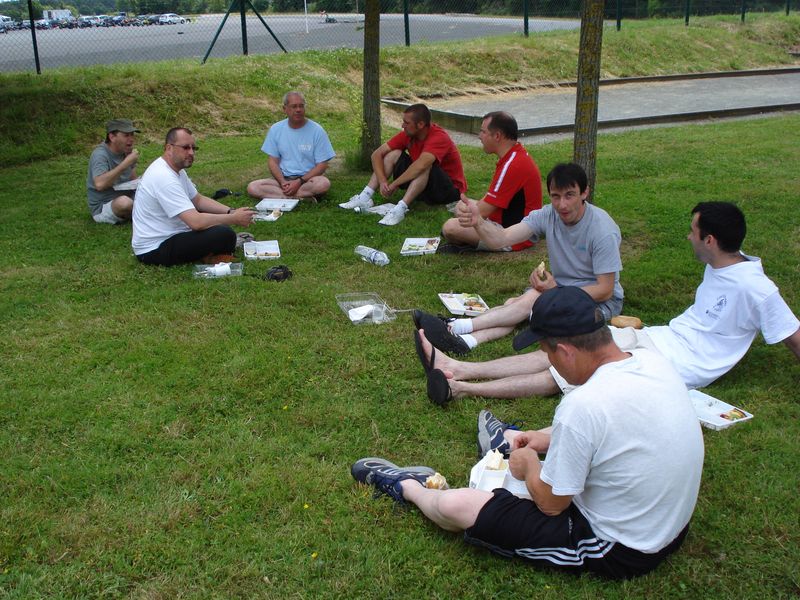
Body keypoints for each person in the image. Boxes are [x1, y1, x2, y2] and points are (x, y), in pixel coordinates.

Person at [353, 286, 704, 579]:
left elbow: (552, 505)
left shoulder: (583, 405)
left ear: (564, 351)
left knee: (456, 505)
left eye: (547, 352)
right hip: (667, 526)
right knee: (540, 450)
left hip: (619, 547)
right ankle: (503, 446)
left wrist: (530, 466)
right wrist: (545, 440)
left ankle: (409, 487)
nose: (548, 360)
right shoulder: (650, 361)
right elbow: (617, 430)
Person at [416, 202, 800, 404]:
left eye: (693, 232)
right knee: (567, 348)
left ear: (710, 241)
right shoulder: (724, 264)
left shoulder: (757, 288)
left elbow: (793, 336)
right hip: (661, 339)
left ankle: (462, 385)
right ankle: (460, 367)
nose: (688, 237)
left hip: (674, 364)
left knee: (567, 372)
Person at [415, 162, 622, 356]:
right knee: (516, 305)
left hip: (600, 304)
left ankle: (457, 326)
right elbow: (502, 239)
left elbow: (605, 290)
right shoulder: (548, 214)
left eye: (570, 195)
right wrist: (479, 222)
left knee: (529, 302)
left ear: (584, 192)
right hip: (561, 289)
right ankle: (467, 340)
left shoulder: (602, 230)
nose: (562, 204)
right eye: (555, 196)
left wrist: (558, 291)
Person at [132, 127, 256, 266]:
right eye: (185, 148)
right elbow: (196, 222)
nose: (191, 152)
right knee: (224, 234)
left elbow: (198, 199)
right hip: (154, 249)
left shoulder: (176, 170)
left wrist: (230, 211)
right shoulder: (163, 177)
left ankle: (215, 250)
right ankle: (212, 254)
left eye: (193, 148)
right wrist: (234, 219)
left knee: (220, 229)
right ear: (169, 148)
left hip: (173, 235)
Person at [339, 103, 466, 226]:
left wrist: (394, 184)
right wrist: (383, 181)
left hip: (448, 191)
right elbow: (376, 155)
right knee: (393, 154)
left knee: (425, 165)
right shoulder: (408, 134)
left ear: (421, 124)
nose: (402, 125)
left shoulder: (439, 137)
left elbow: (421, 166)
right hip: (424, 185)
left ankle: (400, 209)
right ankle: (365, 196)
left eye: (406, 122)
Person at [440, 111, 541, 252]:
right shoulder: (515, 156)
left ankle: (468, 241)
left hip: (515, 235)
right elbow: (490, 202)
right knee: (461, 206)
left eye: (483, 132)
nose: (479, 136)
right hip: (512, 224)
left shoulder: (512, 165)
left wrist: (465, 214)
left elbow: (481, 212)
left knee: (450, 227)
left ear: (497, 136)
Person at [246, 91, 335, 200]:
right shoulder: (276, 129)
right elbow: (273, 161)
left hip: (308, 179)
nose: (298, 110)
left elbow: (322, 165)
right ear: (285, 109)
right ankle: (299, 196)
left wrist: (299, 181)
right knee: (253, 187)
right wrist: (282, 182)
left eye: (301, 106)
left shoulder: (317, 130)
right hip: (284, 179)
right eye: (294, 106)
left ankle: (285, 196)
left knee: (323, 184)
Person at [86, 119, 140, 224]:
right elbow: (100, 184)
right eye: (126, 135)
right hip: (104, 206)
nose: (131, 139)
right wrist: (125, 164)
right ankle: (145, 213)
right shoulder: (100, 155)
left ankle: (143, 212)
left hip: (128, 197)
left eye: (132, 135)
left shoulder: (126, 151)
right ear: (112, 137)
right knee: (124, 203)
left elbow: (133, 181)